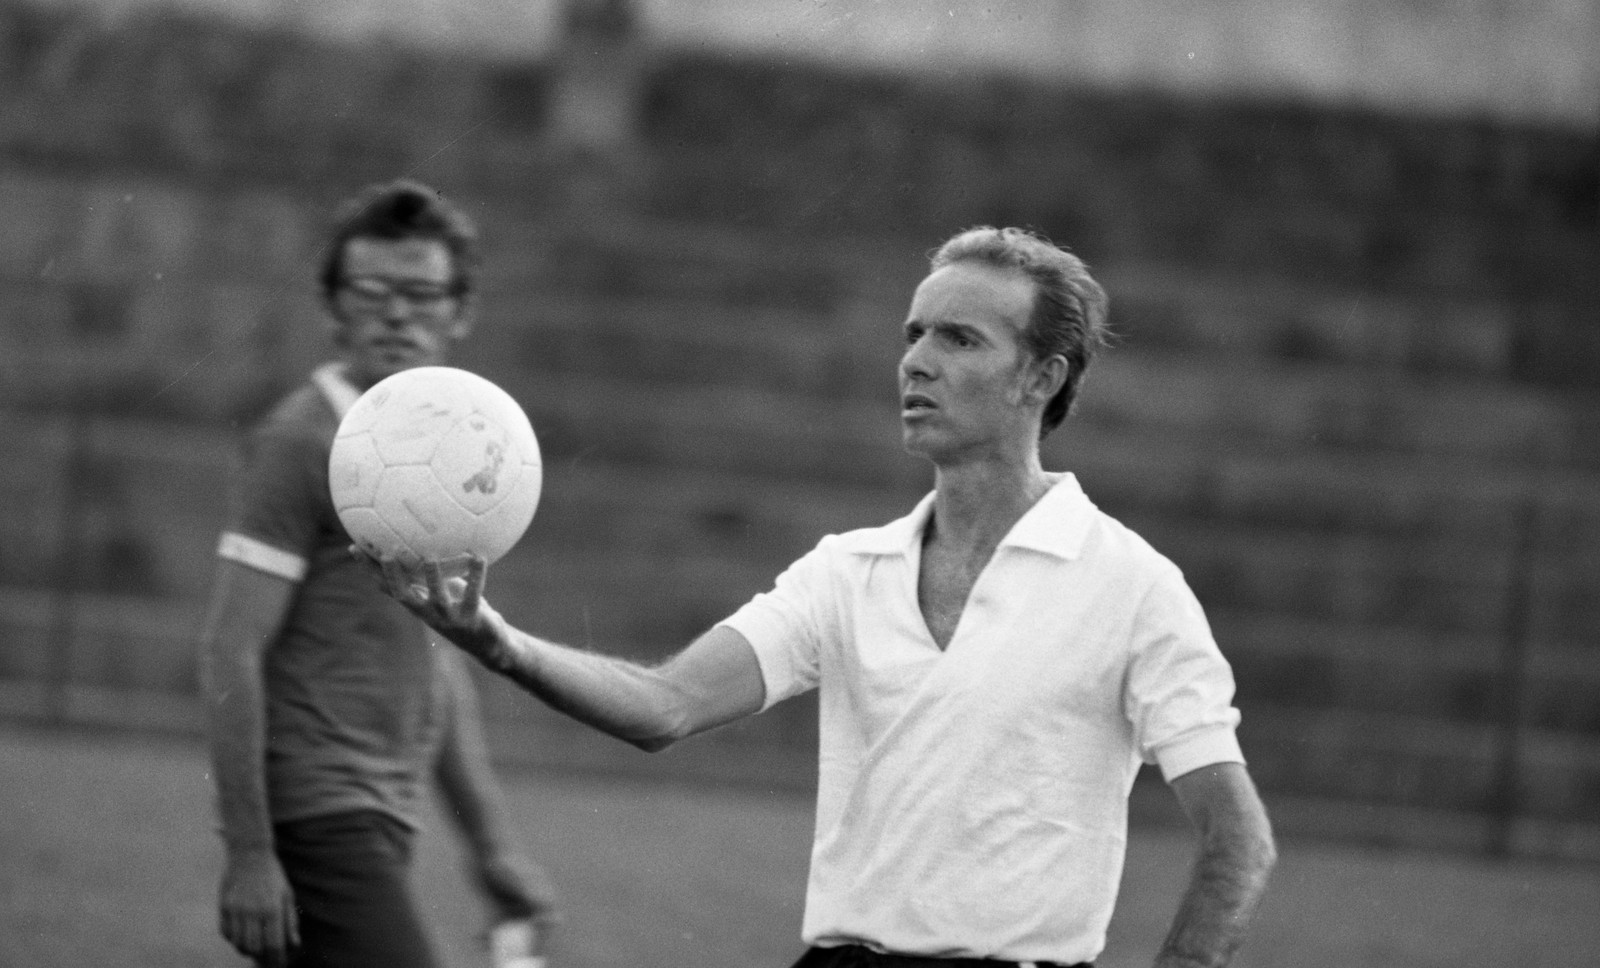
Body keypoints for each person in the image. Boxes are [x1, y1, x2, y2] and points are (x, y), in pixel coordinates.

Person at [380, 226, 1276, 967]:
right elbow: (666, 705)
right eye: (914, 334)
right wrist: (495, 639)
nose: (917, 361)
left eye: (959, 339)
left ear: (1042, 378)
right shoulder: (848, 570)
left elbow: (1238, 841)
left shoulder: (1134, 586)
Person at [198, 179, 561, 968]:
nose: (397, 315)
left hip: (382, 814)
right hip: (316, 812)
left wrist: (491, 844)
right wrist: (252, 854)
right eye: (371, 292)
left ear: (460, 312)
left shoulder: (443, 460)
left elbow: (439, 660)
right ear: (332, 308)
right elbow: (230, 651)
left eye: (422, 294)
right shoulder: (301, 443)